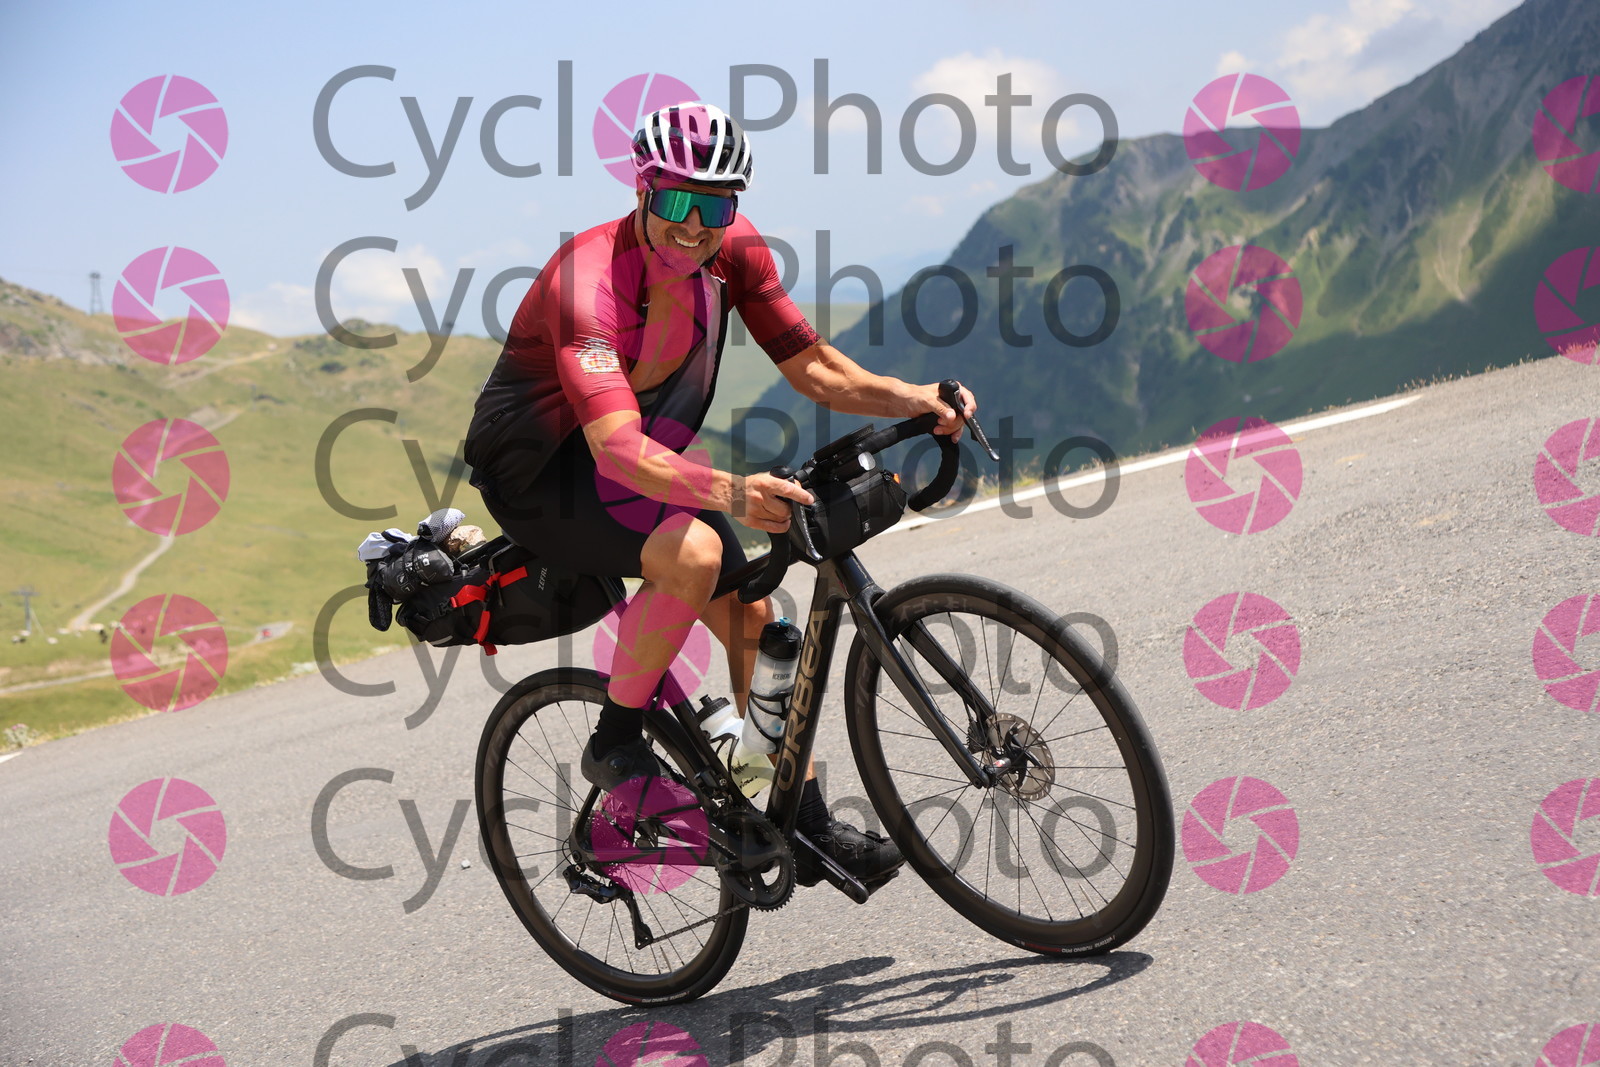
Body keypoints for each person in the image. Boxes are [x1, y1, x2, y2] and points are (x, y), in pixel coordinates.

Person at [464, 102, 976, 888]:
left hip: (640, 457)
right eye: (678, 200)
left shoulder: (734, 253)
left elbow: (815, 368)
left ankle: (801, 821)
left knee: (755, 621)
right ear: (643, 190)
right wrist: (734, 491)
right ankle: (615, 742)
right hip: (542, 475)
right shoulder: (586, 284)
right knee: (696, 554)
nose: (695, 225)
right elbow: (614, 450)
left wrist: (917, 398)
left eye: (717, 205)